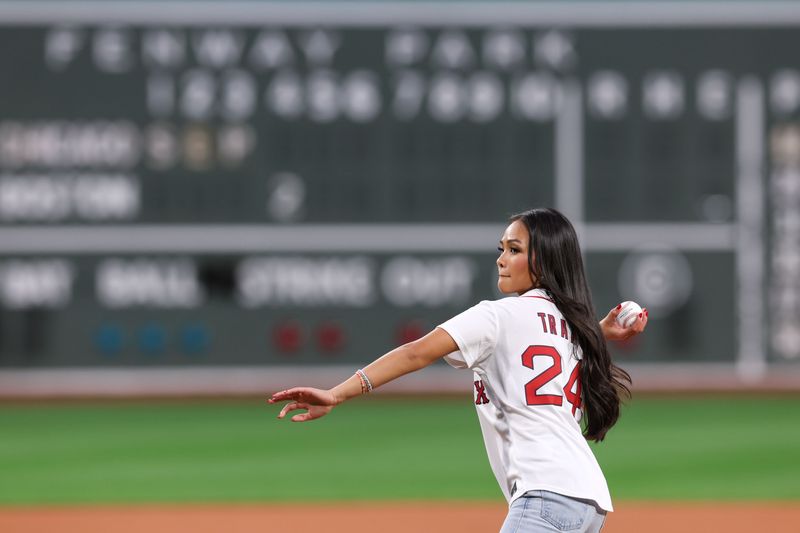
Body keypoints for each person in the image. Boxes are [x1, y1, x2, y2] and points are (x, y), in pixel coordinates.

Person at [269, 208, 648, 532]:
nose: (501, 258)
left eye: (514, 250)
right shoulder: (570, 326)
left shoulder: (497, 316)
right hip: (588, 501)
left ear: (543, 262)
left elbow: (416, 353)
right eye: (501, 249)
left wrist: (337, 393)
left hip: (544, 494)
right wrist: (597, 332)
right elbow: (545, 347)